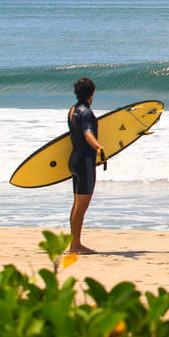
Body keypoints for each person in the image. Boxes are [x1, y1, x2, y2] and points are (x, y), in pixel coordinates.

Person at [67, 77, 105, 254]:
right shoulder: (87, 113)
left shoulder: (72, 110)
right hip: (85, 163)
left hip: (74, 160)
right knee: (81, 207)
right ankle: (76, 245)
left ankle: (74, 243)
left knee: (76, 205)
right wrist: (98, 147)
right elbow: (88, 134)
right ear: (92, 94)